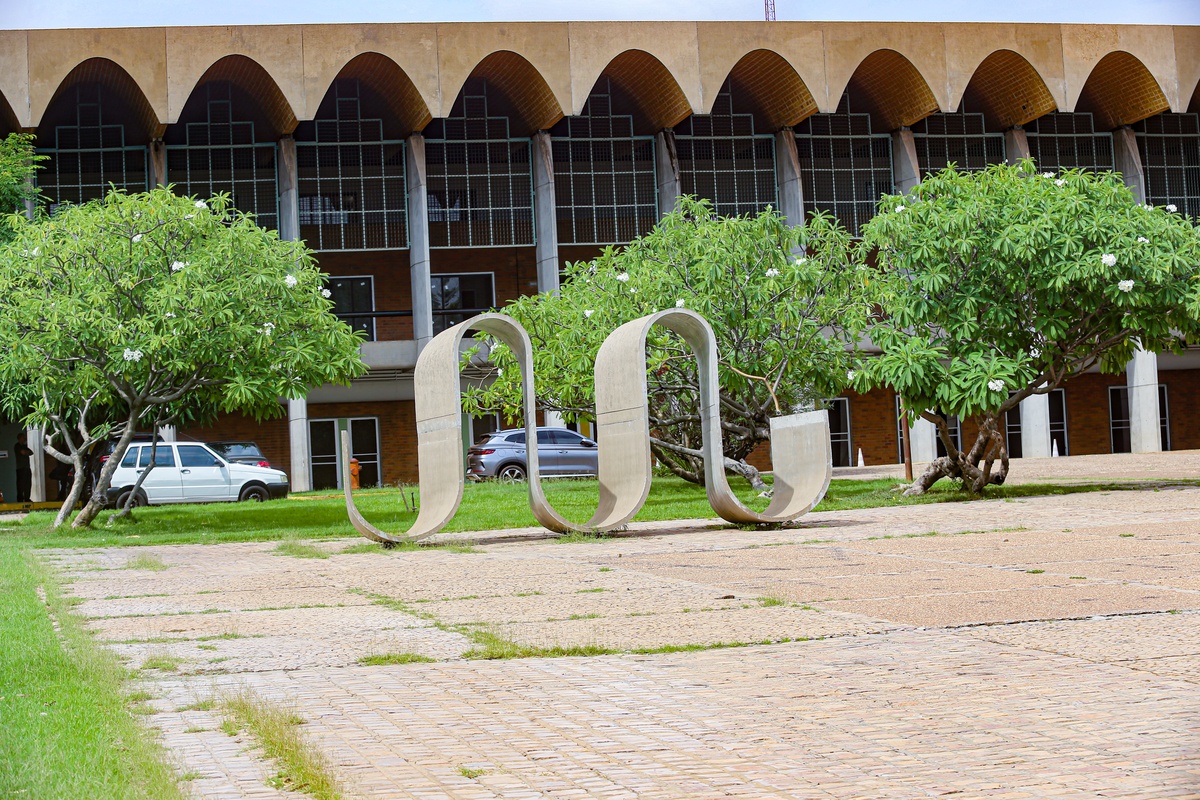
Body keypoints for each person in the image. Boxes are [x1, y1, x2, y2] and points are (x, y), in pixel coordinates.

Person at [14, 434, 33, 503]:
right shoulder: (17, 446)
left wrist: (26, 452)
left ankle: (27, 498)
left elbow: (31, 452)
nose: (24, 439)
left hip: (27, 468)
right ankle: (20, 499)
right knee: (20, 485)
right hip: (20, 468)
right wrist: (25, 452)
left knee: (28, 484)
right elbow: (23, 452)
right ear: (20, 438)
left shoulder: (25, 446)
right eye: (23, 437)